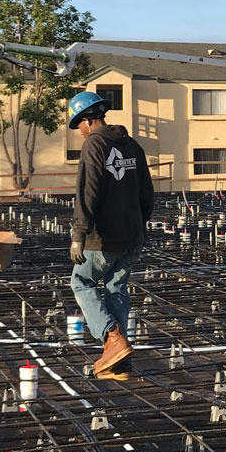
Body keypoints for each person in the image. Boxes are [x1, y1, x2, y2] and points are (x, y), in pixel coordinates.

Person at [66, 91, 155, 382]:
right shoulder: (132, 146)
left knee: (81, 281)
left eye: (78, 125)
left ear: (86, 121)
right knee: (116, 288)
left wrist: (79, 234)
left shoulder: (94, 144)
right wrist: (137, 228)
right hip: (132, 237)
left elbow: (87, 192)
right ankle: (120, 360)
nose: (79, 131)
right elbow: (147, 194)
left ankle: (112, 337)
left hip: (103, 238)